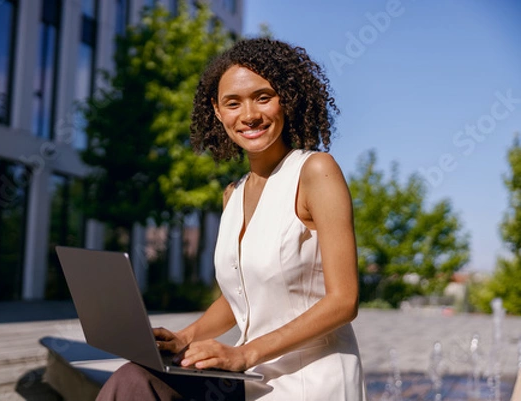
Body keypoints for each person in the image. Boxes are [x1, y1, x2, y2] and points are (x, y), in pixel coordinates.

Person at [96, 37, 367, 401]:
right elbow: (239, 295)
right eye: (233, 103)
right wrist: (185, 337)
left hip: (309, 381)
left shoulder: (315, 172)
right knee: (135, 380)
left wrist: (245, 352)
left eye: (263, 97)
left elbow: (344, 300)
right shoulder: (233, 194)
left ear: (287, 99)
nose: (249, 114)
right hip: (248, 378)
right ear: (217, 111)